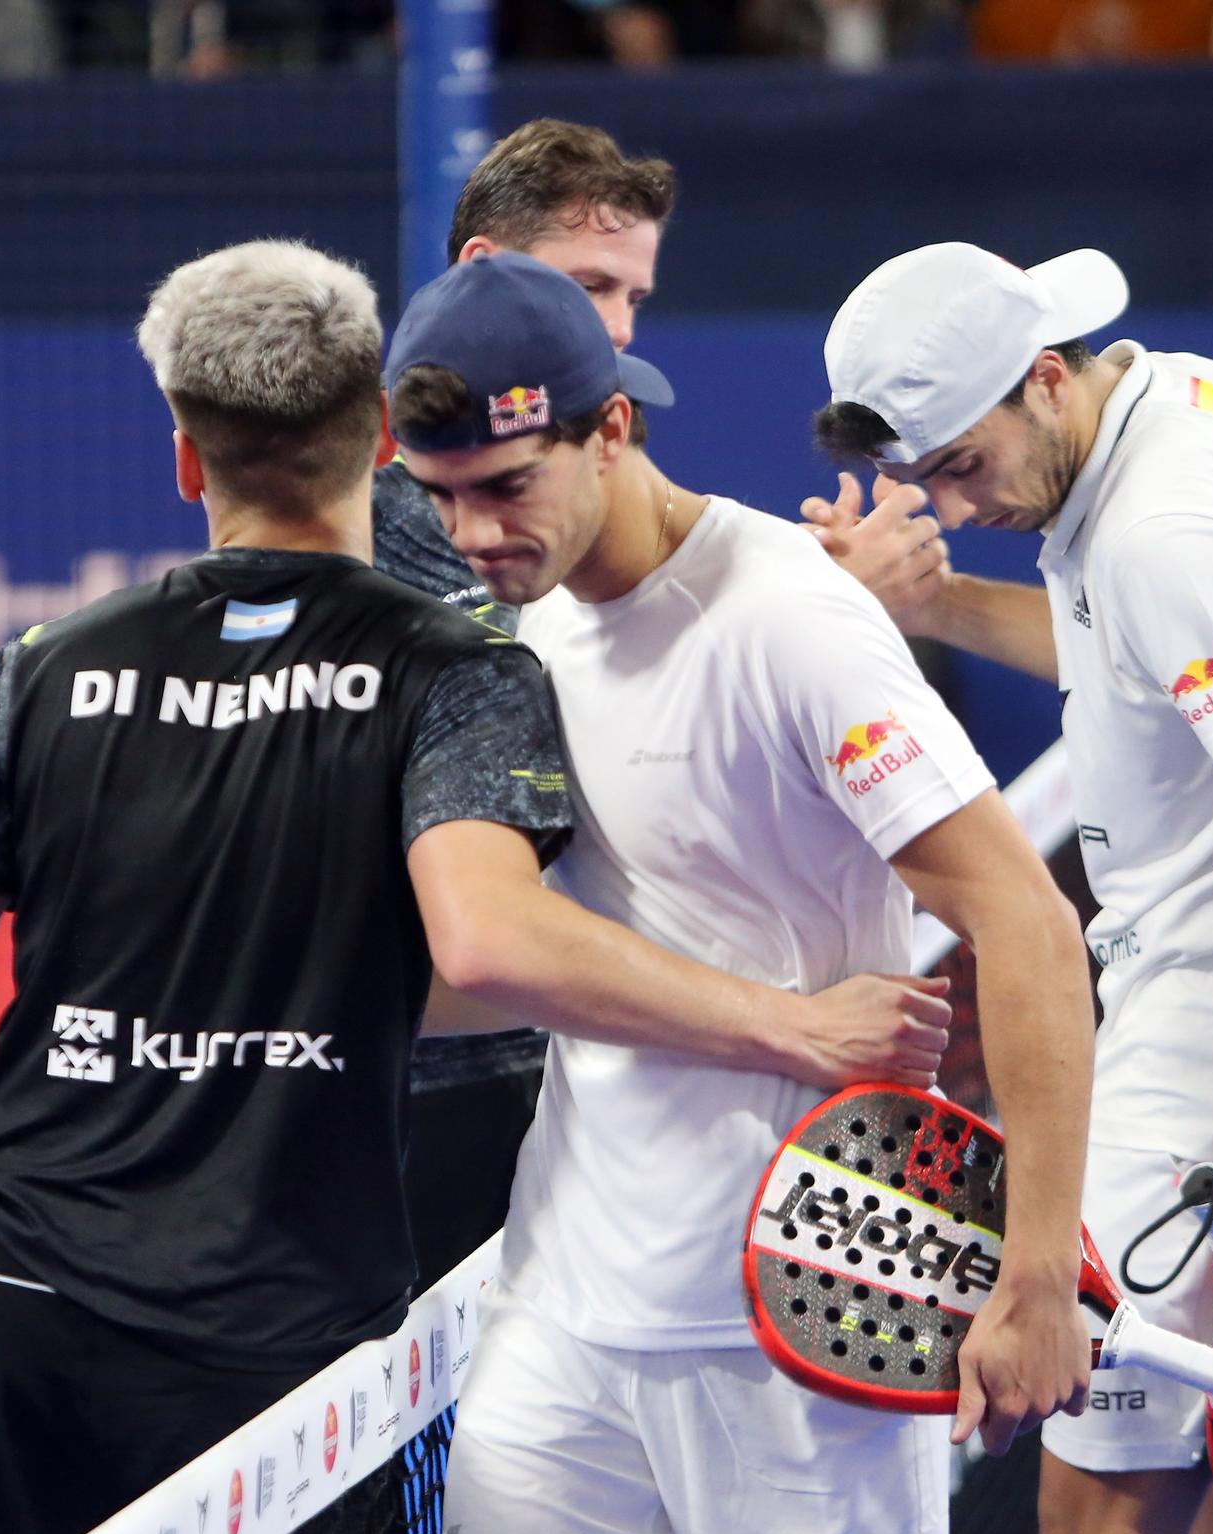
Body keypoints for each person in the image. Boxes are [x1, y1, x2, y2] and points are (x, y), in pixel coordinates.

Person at [0, 236, 949, 1534]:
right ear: (380, 437)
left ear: (187, 458)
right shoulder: (459, 669)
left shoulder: (40, 667)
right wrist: (783, 1015)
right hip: (277, 1325)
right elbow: (485, 951)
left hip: (14, 1290)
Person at [386, 249, 1097, 1534]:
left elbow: (1025, 917)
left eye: (504, 485)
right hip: (568, 1300)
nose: (471, 531)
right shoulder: (508, 637)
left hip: (807, 1324)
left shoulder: (790, 618)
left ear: (612, 428)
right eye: (441, 494)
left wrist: (1035, 1269)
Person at [815, 241, 1213, 1534]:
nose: (960, 504)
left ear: (1040, 375)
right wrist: (932, 603)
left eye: (965, 464)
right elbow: (1124, 651)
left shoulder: (1165, 530)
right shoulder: (1179, 398)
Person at [383, 116, 950, 1292]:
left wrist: (823, 610)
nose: (621, 326)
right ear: (487, 269)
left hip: (578, 1083)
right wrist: (834, 598)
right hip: (433, 1084)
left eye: (633, 293)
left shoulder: (600, 478)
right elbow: (506, 696)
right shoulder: (416, 524)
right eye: (592, 285)